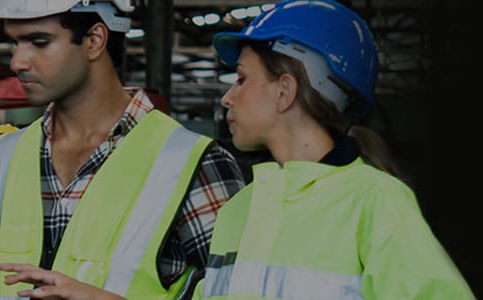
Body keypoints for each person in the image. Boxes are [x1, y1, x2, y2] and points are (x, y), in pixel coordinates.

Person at [197, 0, 473, 298]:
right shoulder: (237, 210)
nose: (227, 98)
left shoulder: (375, 202)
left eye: (241, 79)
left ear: (284, 91)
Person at [0, 0, 247, 299]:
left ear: (94, 40)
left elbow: (236, 291)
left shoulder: (195, 164)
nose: (17, 62)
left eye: (39, 42)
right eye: (14, 43)